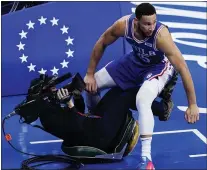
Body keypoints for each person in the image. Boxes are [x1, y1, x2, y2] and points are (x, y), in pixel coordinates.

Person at [84, 3, 199, 169]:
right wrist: (89, 73)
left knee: (142, 99)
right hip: (135, 61)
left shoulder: (161, 36)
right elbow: (102, 42)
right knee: (93, 83)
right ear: (136, 21)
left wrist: (192, 104)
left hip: (159, 66)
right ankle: (94, 121)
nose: (151, 27)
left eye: (154, 22)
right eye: (147, 23)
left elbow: (182, 67)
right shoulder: (123, 25)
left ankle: (146, 159)